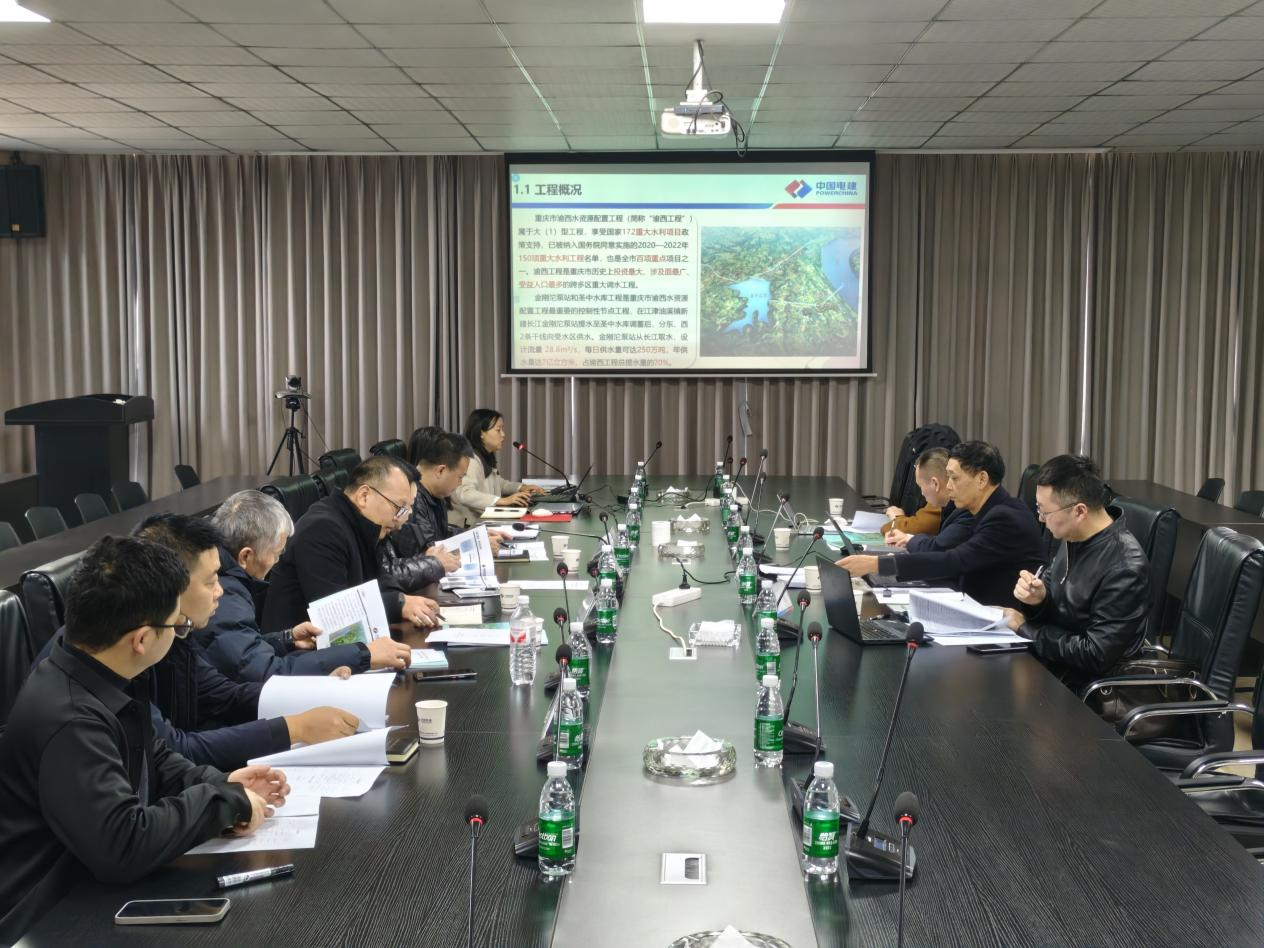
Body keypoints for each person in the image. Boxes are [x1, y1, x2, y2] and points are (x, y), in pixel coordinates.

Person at [0, 536, 290, 944]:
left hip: (90, 890)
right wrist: (222, 803)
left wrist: (221, 783)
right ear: (141, 640)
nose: (181, 632)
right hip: (48, 918)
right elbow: (123, 844)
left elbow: (153, 756)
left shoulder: (98, 671)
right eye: (177, 625)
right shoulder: (70, 718)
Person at [198, 490, 412, 681]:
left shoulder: (225, 577)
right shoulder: (224, 595)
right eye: (276, 554)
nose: (277, 562)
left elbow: (239, 647)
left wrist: (287, 639)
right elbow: (266, 673)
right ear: (246, 556)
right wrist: (363, 654)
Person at [1003, 455, 1152, 689]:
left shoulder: (1124, 566)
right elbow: (1058, 604)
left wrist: (1025, 629)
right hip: (1056, 666)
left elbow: (1096, 654)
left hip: (1087, 688)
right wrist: (1038, 600)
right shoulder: (1074, 535)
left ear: (1079, 511)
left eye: (1044, 511)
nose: (1040, 519)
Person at [837, 441, 1044, 608]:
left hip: (999, 624)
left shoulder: (1005, 518)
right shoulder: (981, 510)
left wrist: (877, 565)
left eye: (954, 478)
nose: (949, 486)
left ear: (982, 480)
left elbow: (954, 560)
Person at [262, 456, 440, 634]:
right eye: (398, 508)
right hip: (299, 647)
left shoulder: (365, 526)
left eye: (406, 510)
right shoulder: (322, 529)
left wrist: (404, 600)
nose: (400, 521)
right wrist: (398, 604)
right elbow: (335, 612)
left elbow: (382, 584)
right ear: (364, 496)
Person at [381, 429, 473, 592]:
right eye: (460, 477)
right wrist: (473, 543)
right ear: (440, 470)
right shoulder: (412, 499)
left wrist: (476, 537)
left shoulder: (436, 493)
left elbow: (441, 534)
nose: (460, 483)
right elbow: (428, 552)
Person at [448, 408, 545, 528]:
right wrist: (501, 501)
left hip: (484, 522)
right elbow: (464, 493)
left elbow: (498, 484)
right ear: (481, 433)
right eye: (498, 430)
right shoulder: (471, 459)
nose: (503, 434)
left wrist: (521, 488)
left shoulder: (485, 455)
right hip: (467, 527)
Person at [883, 447, 976, 552]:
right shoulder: (951, 508)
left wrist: (908, 539)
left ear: (935, 483)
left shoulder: (965, 510)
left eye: (921, 486)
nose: (922, 494)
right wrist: (908, 539)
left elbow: (940, 547)